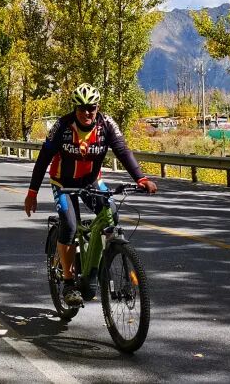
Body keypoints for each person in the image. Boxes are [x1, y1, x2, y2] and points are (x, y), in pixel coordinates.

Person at [23, 83, 157, 307]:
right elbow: (44, 157)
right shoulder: (62, 126)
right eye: (82, 108)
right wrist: (32, 192)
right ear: (75, 108)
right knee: (69, 225)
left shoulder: (107, 124)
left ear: (98, 107)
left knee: (111, 214)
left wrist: (141, 179)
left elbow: (122, 151)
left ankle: (101, 260)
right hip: (63, 183)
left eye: (91, 108)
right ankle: (68, 283)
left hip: (91, 182)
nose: (87, 112)